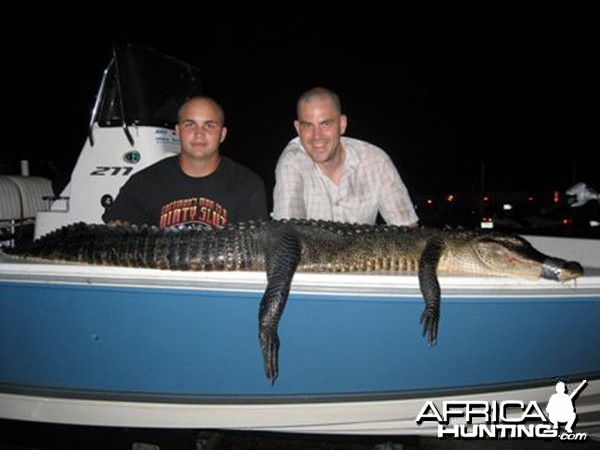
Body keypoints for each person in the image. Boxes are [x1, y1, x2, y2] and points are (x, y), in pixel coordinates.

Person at [102, 96, 269, 228]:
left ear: (222, 134)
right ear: (177, 131)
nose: (199, 133)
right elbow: (115, 232)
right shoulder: (144, 182)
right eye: (190, 124)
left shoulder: (248, 185)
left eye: (209, 125)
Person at [272, 87, 418, 226]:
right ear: (298, 129)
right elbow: (288, 239)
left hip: (367, 252)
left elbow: (408, 231)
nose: (317, 136)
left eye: (325, 124)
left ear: (342, 124)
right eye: (308, 126)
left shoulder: (376, 160)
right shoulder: (291, 164)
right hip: (311, 253)